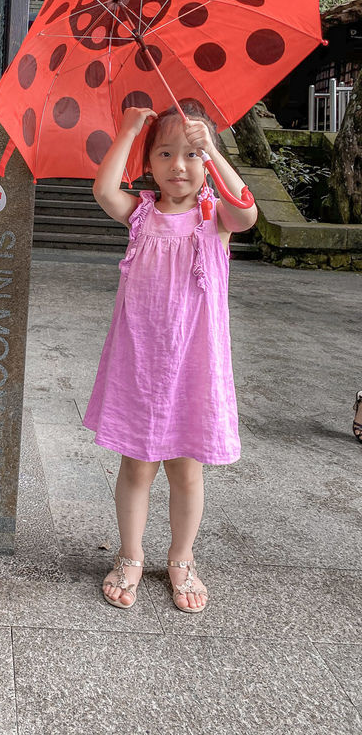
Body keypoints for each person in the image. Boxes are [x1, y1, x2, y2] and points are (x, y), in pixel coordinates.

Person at [83, 99, 257, 614]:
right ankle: (131, 554)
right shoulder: (140, 213)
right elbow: (101, 190)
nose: (178, 165)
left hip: (194, 367)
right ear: (149, 162)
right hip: (142, 364)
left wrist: (216, 152)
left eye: (191, 154)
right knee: (137, 467)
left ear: (206, 161)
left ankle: (182, 557)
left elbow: (247, 210)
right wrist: (130, 127)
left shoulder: (214, 217)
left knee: (186, 470)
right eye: (164, 153)